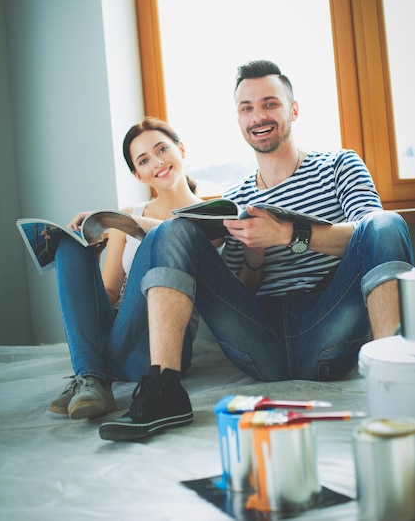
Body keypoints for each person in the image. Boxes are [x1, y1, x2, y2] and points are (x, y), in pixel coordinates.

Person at [99, 59, 414, 443]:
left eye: (270, 103)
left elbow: (372, 237)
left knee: (386, 222)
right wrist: (255, 256)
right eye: (247, 108)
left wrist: (289, 235)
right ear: (238, 119)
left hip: (327, 326)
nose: (258, 116)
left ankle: (393, 379)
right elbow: (241, 290)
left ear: (293, 109)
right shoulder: (235, 198)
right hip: (257, 340)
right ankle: (164, 390)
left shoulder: (339, 165)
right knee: (174, 230)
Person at [49, 117, 202, 420]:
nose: (157, 162)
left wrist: (115, 222)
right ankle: (92, 375)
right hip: (121, 326)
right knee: (68, 245)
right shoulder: (124, 216)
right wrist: (87, 272)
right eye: (144, 160)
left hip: (162, 345)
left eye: (162, 149)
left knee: (157, 239)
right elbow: (108, 292)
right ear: (137, 174)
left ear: (181, 149)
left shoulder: (211, 214)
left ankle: (92, 373)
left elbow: (177, 235)